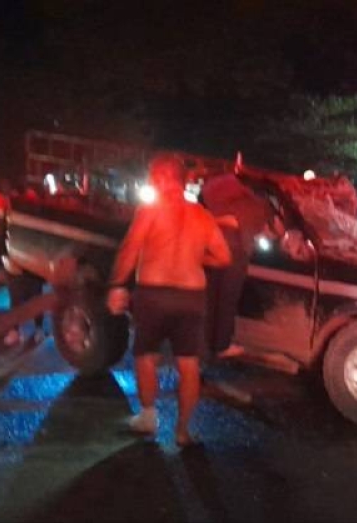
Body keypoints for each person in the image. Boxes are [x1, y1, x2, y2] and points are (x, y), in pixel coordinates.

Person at [106, 153, 231, 447]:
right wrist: (196, 256)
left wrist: (116, 285)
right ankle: (183, 431)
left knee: (146, 356)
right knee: (188, 365)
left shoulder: (149, 211)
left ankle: (148, 417)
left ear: (162, 177)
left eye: (152, 175)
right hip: (191, 297)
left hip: (154, 295)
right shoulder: (202, 215)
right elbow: (223, 257)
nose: (150, 179)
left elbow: (129, 250)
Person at [199, 172, 272, 358]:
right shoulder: (254, 205)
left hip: (210, 251)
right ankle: (221, 345)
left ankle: (203, 345)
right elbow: (262, 228)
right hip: (235, 256)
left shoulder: (214, 201)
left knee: (209, 299)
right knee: (226, 301)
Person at [0, 192, 46, 346]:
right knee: (30, 298)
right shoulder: (13, 220)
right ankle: (31, 330)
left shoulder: (9, 222)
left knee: (20, 300)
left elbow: (0, 247)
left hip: (19, 266)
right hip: (25, 266)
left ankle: (23, 331)